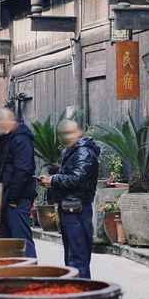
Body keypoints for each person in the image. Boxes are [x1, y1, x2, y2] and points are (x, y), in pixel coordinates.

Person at [39, 119, 100, 278]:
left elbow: (78, 179)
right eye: (64, 134)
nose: (67, 137)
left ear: (79, 132)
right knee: (74, 254)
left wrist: (53, 180)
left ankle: (82, 294)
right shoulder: (73, 151)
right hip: (71, 207)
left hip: (77, 208)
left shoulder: (83, 152)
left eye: (71, 132)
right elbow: (71, 176)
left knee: (77, 255)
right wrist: (51, 179)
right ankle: (78, 290)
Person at [0, 107, 36, 258]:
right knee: (5, 243)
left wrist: (13, 198)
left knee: (21, 242)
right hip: (2, 199)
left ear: (11, 120)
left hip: (15, 200)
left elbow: (24, 170)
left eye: (1, 120)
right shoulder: (1, 138)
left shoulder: (21, 139)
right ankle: (11, 276)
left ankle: (31, 276)